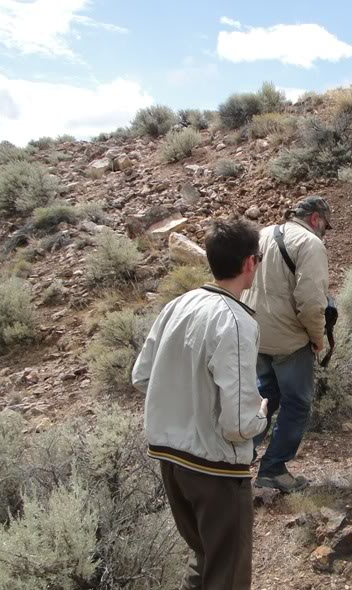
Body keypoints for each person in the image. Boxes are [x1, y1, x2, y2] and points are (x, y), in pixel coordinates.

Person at [132, 217, 268, 590]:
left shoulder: (177, 305)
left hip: (171, 461)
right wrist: (262, 416)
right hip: (216, 470)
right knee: (228, 574)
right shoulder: (237, 322)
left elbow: (142, 377)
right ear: (249, 264)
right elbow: (238, 425)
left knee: (204, 559)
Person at [242, 196, 331, 493]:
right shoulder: (310, 243)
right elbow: (311, 302)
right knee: (297, 403)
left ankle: (235, 462)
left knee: (265, 397)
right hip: (289, 339)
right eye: (325, 226)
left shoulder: (263, 234)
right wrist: (318, 339)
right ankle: (274, 469)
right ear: (316, 218)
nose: (325, 233)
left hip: (254, 332)